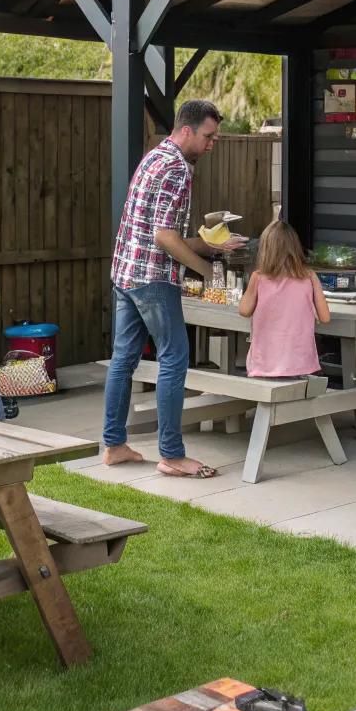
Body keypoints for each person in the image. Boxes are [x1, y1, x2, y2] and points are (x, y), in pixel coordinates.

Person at [103, 98, 239, 479]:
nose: (212, 144)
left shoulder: (153, 158)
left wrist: (209, 245)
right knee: (175, 359)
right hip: (153, 279)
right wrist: (205, 271)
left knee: (123, 360)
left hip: (125, 274)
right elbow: (164, 237)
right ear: (186, 131)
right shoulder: (178, 170)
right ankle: (172, 454)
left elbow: (158, 232)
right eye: (208, 137)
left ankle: (114, 446)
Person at [238, 218, 331, 377]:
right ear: (295, 247)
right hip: (300, 361)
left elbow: (244, 310)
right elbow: (325, 317)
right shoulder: (309, 276)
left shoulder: (258, 277)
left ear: (265, 249)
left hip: (265, 361)